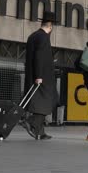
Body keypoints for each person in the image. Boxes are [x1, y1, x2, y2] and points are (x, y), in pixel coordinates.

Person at [21, 11, 58, 140]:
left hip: (33, 75)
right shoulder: (43, 37)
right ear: (50, 26)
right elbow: (39, 57)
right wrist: (39, 75)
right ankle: (32, 121)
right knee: (51, 100)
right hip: (42, 77)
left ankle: (39, 132)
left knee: (39, 103)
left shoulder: (33, 36)